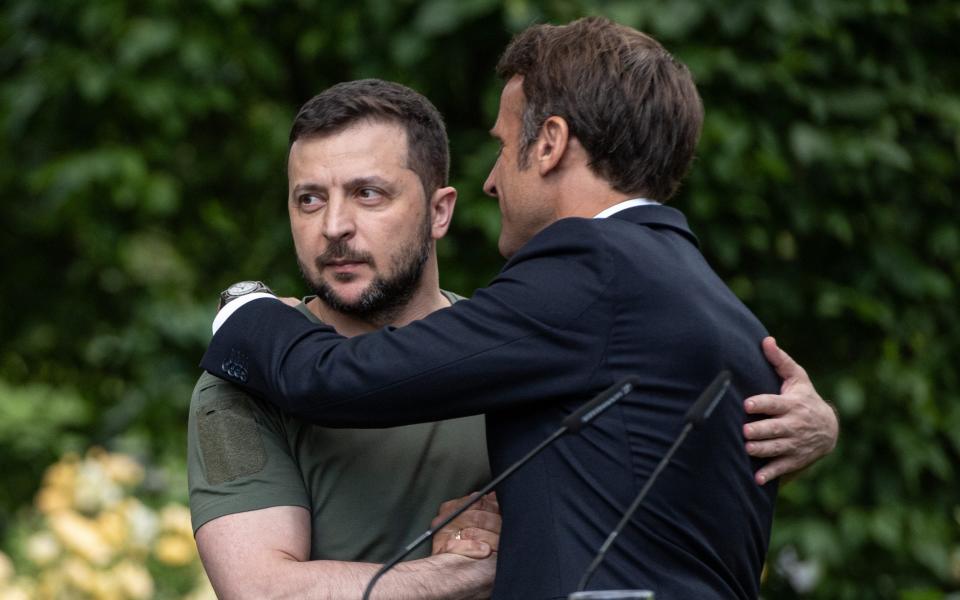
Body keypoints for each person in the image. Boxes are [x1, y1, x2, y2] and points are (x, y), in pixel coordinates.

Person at [198, 39, 838, 598]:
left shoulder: (587, 266)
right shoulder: (716, 307)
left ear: (551, 143)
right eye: (309, 199)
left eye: (505, 147)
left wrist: (244, 308)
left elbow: (335, 379)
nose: (492, 179)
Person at [188, 80, 500, 599]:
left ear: (439, 211)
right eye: (309, 199)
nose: (334, 226)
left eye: (367, 193)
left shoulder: (511, 353)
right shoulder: (243, 380)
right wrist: (458, 571)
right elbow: (264, 593)